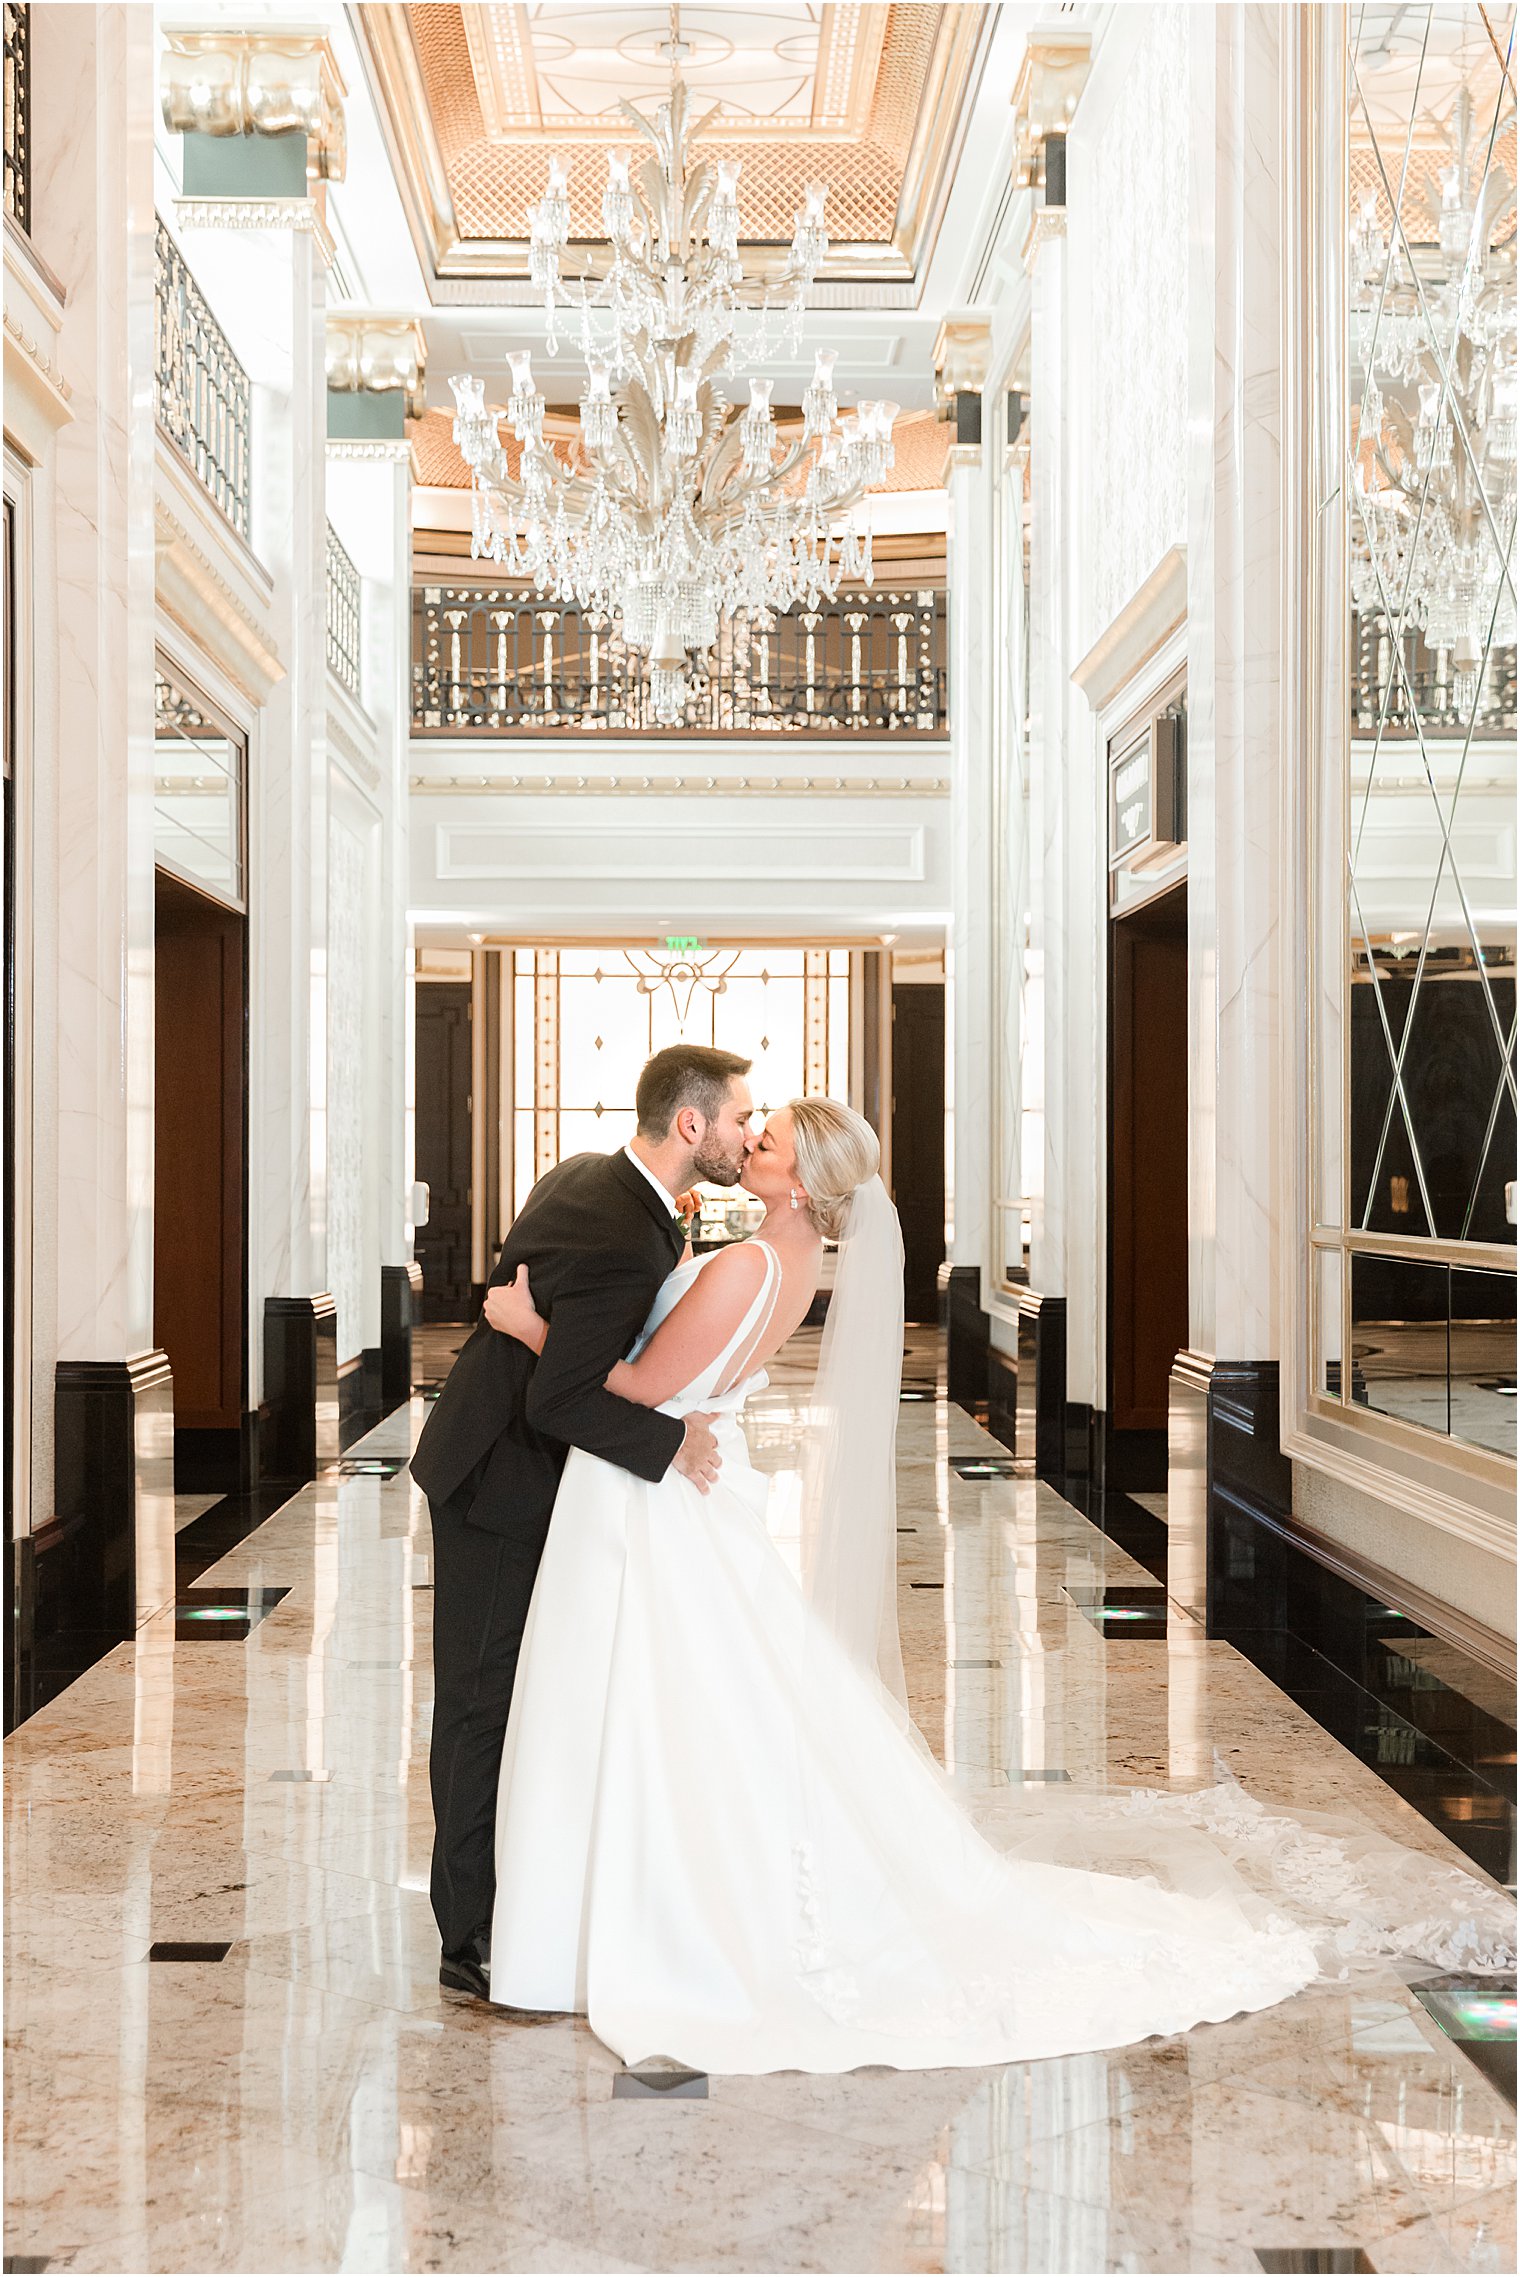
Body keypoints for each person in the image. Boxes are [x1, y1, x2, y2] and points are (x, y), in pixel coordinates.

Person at [479, 1098, 1515, 2075]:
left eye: (771, 1138)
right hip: (678, 1485)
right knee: (699, 1704)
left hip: (658, 1501)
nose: (752, 1141)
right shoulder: (787, 1257)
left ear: (800, 1180)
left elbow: (645, 1389)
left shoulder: (742, 1265)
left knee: (668, 1703)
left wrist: (531, 1332)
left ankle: (664, 1906)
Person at [410, 1043, 756, 1999]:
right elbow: (562, 1400)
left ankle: (495, 1898)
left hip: (486, 1455)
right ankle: (468, 1933)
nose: (745, 1132)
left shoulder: (587, 1177)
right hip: (500, 1481)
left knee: (498, 1697)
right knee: (481, 1702)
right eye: (736, 1117)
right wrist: (669, 1443)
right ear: (691, 1126)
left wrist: (532, 1329)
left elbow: (523, 1307)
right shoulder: (625, 1232)